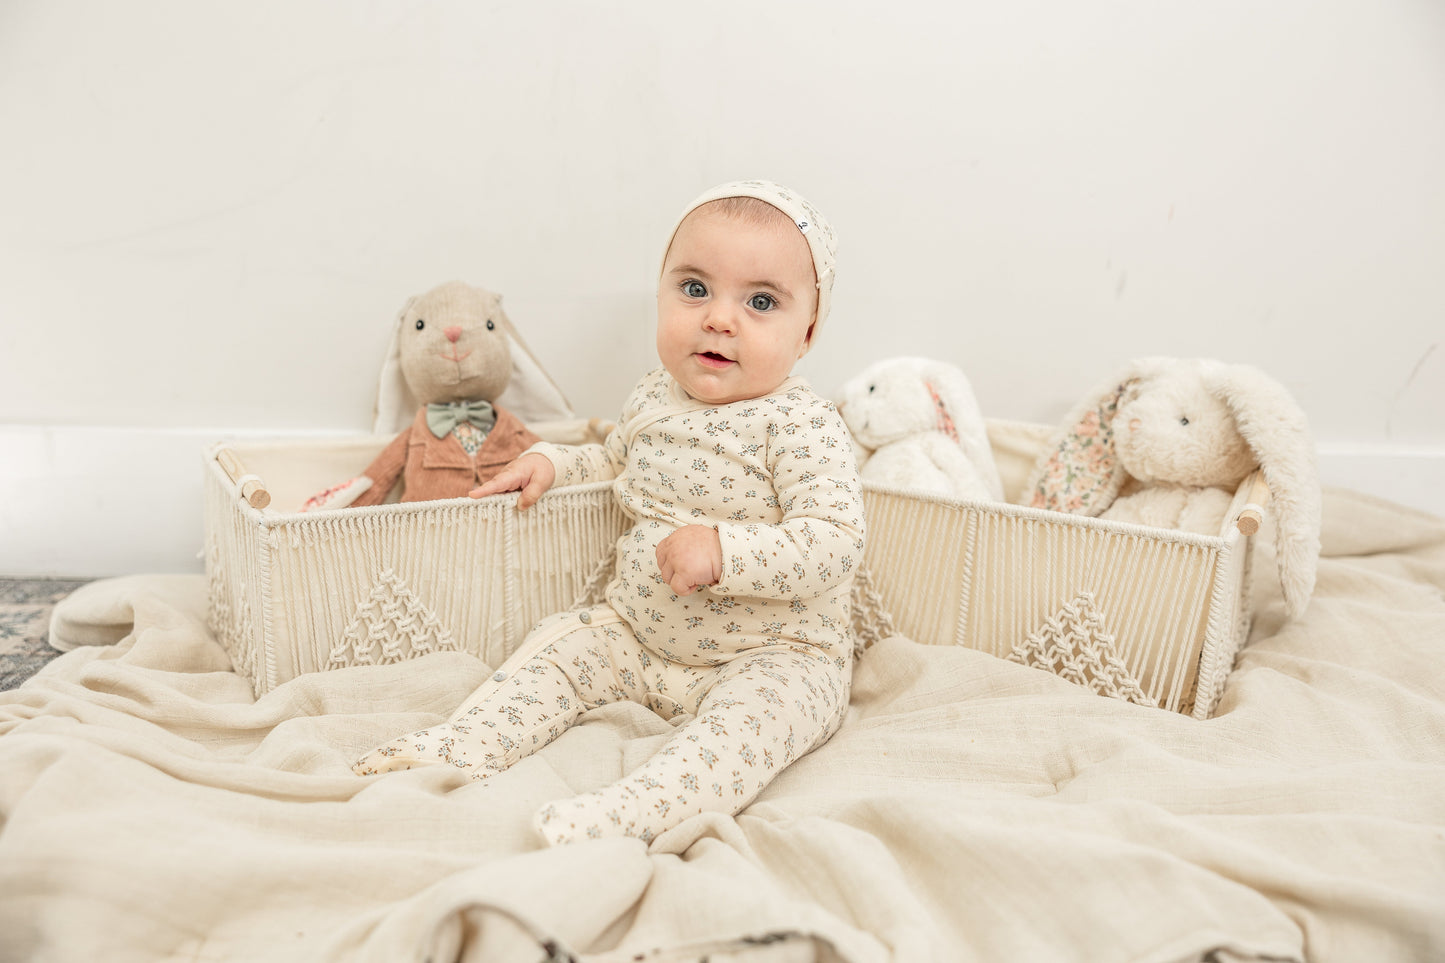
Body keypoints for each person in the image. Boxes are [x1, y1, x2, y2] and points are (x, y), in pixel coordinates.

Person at [353, 180, 865, 847]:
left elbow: (834, 540)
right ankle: (465, 741)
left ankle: (634, 811)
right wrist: (554, 464)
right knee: (560, 641)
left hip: (773, 655)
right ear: (661, 293)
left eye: (760, 301)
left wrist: (724, 549)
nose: (718, 318)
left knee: (748, 730)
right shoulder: (656, 393)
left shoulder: (801, 422)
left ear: (807, 332)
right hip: (642, 635)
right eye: (693, 289)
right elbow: (616, 459)